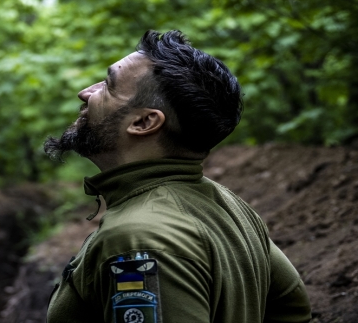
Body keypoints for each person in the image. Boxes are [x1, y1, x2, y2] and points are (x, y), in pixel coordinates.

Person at [44, 30, 311, 322]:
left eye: (108, 85)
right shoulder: (231, 207)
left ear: (144, 122)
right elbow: (292, 308)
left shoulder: (139, 241)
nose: (85, 92)